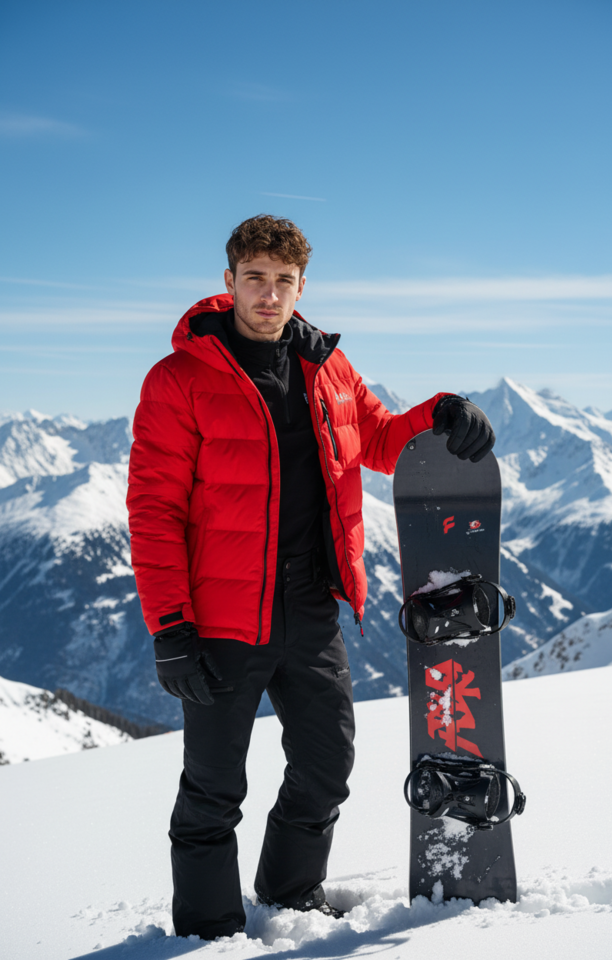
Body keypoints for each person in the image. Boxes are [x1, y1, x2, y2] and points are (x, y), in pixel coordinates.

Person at [127, 215, 495, 940]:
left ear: (302, 287)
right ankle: (206, 933)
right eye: (254, 279)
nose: (268, 295)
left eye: (283, 281)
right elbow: (154, 510)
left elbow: (379, 440)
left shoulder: (327, 366)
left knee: (327, 766)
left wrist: (442, 413)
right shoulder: (179, 379)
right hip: (223, 619)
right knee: (213, 788)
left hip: (311, 605)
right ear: (229, 281)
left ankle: (290, 893)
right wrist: (170, 627)